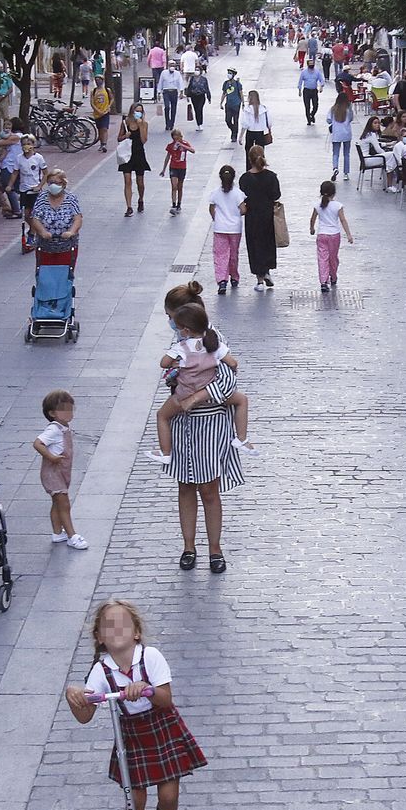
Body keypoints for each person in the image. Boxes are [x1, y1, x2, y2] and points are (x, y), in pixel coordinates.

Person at [65, 600, 206, 810]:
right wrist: (75, 697)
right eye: (109, 625)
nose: (116, 629)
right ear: (100, 637)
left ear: (136, 632)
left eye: (123, 624)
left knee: (168, 795)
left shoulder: (150, 656)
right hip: (131, 735)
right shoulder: (101, 670)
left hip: (161, 727)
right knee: (135, 799)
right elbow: (85, 716)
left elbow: (166, 700)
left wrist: (147, 689)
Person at [157, 282, 246, 574]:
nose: (169, 322)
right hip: (185, 426)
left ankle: (215, 549)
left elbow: (228, 378)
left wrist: (197, 396)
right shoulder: (181, 343)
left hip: (211, 422)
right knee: (185, 485)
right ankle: (188, 546)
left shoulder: (212, 337)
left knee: (209, 489)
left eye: (170, 316)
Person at [148, 302, 254, 461]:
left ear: (186, 330)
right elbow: (233, 363)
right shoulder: (214, 344)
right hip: (210, 393)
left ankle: (165, 452)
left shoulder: (181, 347)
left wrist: (175, 362)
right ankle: (241, 438)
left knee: (162, 415)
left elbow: (163, 363)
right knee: (242, 400)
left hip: (184, 395)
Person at [33, 390, 88, 550]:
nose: (69, 413)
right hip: (53, 473)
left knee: (57, 503)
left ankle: (57, 533)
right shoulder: (54, 429)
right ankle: (72, 535)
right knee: (64, 504)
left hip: (61, 472)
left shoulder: (63, 428)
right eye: (64, 410)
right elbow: (37, 443)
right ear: (52, 413)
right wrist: (51, 457)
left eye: (71, 409)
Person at [239, 146, 281, 290]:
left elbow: (241, 196)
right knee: (267, 243)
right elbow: (276, 195)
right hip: (267, 215)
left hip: (252, 216)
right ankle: (267, 271)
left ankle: (259, 280)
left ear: (249, 159)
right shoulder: (271, 176)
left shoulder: (245, 178)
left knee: (255, 245)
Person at [309, 179, 353, 292]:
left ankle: (323, 281)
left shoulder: (317, 205)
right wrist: (348, 235)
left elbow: (312, 219)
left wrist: (312, 228)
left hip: (322, 235)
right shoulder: (338, 206)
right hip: (334, 235)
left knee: (322, 258)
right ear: (334, 193)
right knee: (333, 258)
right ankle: (333, 276)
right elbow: (343, 220)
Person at [207, 165, 245, 294]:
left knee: (220, 255)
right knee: (233, 254)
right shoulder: (238, 193)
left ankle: (222, 280)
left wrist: (216, 218)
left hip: (220, 228)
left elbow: (211, 208)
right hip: (235, 228)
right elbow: (243, 209)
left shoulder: (215, 193)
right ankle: (234, 276)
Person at [28, 168, 82, 251]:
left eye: (56, 183)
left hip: (67, 245)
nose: (53, 185)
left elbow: (77, 218)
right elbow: (35, 218)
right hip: (45, 245)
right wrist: (43, 232)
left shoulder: (71, 198)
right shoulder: (42, 198)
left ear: (63, 184)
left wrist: (71, 232)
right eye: (50, 183)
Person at [117, 103, 151, 216]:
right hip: (127, 154)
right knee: (127, 180)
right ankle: (129, 206)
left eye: (140, 111)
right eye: (136, 111)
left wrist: (141, 126)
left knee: (140, 181)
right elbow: (119, 138)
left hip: (138, 153)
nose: (138, 113)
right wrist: (125, 136)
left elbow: (144, 140)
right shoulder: (125, 122)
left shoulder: (144, 124)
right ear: (132, 111)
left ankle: (141, 199)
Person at [11, 135, 47, 217]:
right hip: (23, 189)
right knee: (25, 213)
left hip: (35, 189)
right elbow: (15, 173)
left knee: (34, 212)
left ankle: (34, 228)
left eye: (28, 143)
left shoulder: (38, 158)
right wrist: (10, 185)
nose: (26, 146)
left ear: (33, 144)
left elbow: (46, 173)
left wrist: (39, 186)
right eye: (24, 144)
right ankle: (32, 228)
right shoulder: (19, 158)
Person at [164, 129, 195, 216]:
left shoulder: (184, 143)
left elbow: (193, 150)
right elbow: (167, 157)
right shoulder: (170, 146)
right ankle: (173, 204)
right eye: (174, 136)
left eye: (177, 136)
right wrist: (163, 169)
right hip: (173, 167)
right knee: (174, 186)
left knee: (180, 186)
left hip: (182, 167)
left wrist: (183, 146)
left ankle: (179, 203)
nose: (176, 138)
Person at [326, 93, 354, 182]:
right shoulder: (348, 109)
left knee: (335, 153)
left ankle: (335, 168)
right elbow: (351, 119)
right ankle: (346, 173)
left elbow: (328, 120)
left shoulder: (333, 109)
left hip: (336, 134)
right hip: (346, 134)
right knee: (346, 154)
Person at [242, 90, 273, 166]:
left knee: (248, 152)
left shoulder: (247, 109)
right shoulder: (264, 108)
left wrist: (240, 136)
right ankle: (261, 167)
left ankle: (249, 168)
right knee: (260, 152)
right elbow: (269, 122)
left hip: (250, 132)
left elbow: (245, 123)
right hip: (260, 133)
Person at [158, 60, 184, 132]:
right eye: (170, 65)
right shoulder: (164, 73)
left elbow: (180, 82)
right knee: (167, 107)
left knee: (173, 108)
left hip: (174, 91)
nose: (172, 66)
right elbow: (160, 82)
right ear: (168, 66)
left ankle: (172, 124)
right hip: (166, 91)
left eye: (173, 65)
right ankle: (167, 123)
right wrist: (159, 92)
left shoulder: (177, 74)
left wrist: (181, 92)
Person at [220, 69, 243, 143]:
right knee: (228, 120)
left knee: (236, 121)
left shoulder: (237, 84)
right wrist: (221, 102)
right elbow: (224, 93)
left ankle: (234, 136)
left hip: (236, 104)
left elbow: (241, 93)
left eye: (230, 73)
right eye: (228, 73)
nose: (229, 74)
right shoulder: (226, 83)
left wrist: (243, 102)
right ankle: (233, 130)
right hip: (228, 104)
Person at [298, 59, 324, 125]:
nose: (311, 64)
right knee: (307, 106)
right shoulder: (304, 72)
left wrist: (321, 87)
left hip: (314, 91)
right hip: (306, 91)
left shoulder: (317, 72)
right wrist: (299, 90)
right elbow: (300, 81)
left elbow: (321, 79)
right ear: (308, 64)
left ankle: (312, 114)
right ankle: (309, 120)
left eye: (312, 63)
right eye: (310, 63)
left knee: (316, 105)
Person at [90, 80, 113, 153]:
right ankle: (101, 143)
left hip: (105, 112)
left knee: (104, 128)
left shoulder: (107, 90)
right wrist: (97, 110)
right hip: (97, 114)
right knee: (100, 129)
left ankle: (104, 144)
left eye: (99, 80)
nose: (98, 82)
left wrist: (109, 106)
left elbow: (112, 98)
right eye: (96, 80)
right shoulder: (93, 91)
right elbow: (92, 102)